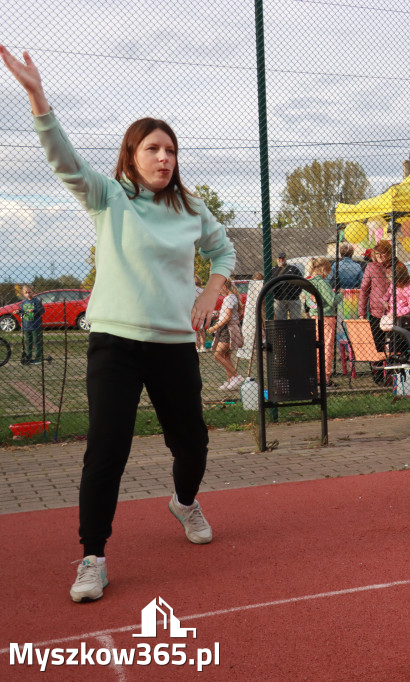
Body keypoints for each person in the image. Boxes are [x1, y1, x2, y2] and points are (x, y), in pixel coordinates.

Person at [2, 46, 236, 602]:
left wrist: (210, 289)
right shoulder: (109, 197)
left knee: (193, 445)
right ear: (131, 156)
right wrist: (38, 99)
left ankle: (183, 503)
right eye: (153, 149)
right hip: (114, 342)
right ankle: (92, 556)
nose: (164, 158)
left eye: (172, 151)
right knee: (107, 447)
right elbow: (63, 161)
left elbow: (224, 254)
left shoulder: (191, 208)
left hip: (174, 343)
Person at [303, 258, 339, 383]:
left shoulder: (307, 282)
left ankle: (316, 374)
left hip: (314, 317)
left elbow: (307, 302)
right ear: (323, 269)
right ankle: (325, 376)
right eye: (328, 271)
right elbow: (332, 301)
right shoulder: (322, 282)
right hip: (327, 317)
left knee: (316, 346)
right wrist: (341, 294)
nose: (328, 274)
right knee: (327, 347)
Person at [358, 240, 393, 352]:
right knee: (377, 344)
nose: (379, 256)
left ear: (389, 253)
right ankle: (377, 369)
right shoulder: (371, 267)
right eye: (377, 253)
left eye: (383, 253)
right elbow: (364, 290)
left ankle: (392, 367)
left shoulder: (396, 266)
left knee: (394, 343)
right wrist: (362, 312)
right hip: (376, 311)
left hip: (395, 311)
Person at [209, 280, 244, 389]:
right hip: (227, 328)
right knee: (226, 355)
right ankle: (230, 380)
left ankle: (236, 376)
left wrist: (215, 327)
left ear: (224, 286)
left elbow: (228, 317)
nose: (218, 290)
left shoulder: (229, 298)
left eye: (220, 287)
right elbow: (228, 314)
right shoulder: (231, 297)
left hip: (227, 330)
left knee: (218, 355)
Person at [269, 252, 302, 320]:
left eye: (283, 258)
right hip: (279, 299)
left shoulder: (293, 269)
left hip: (293, 298)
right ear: (277, 259)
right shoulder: (272, 270)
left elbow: (301, 282)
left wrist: (296, 293)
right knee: (280, 320)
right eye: (279, 258)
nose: (281, 260)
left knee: (296, 320)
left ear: (285, 258)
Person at [18, 284, 44, 364]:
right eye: (26, 292)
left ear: (33, 292)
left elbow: (42, 311)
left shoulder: (36, 301)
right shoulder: (23, 303)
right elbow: (23, 313)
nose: (28, 294)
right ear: (23, 293)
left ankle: (38, 358)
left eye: (30, 292)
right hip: (26, 326)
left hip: (36, 326)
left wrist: (34, 310)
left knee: (37, 342)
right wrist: (18, 312)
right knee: (28, 343)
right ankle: (28, 358)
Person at [193, 275, 208, 352]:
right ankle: (203, 346)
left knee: (195, 330)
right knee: (201, 330)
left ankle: (196, 346)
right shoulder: (202, 290)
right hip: (201, 311)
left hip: (193, 311)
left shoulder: (191, 290)